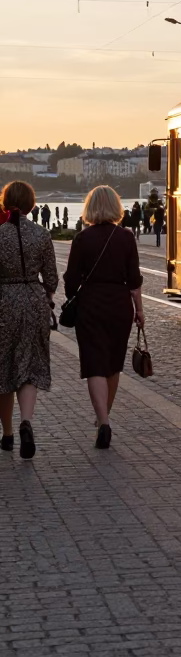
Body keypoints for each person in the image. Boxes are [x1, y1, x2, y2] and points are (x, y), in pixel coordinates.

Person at [63, 185, 145, 450]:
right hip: (120, 305)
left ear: (89, 208)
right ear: (116, 206)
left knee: (94, 364)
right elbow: (134, 281)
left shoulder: (81, 239)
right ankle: (103, 420)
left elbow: (71, 282)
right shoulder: (126, 237)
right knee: (113, 364)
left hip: (91, 306)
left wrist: (75, 287)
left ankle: (104, 421)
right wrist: (140, 311)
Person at [0, 181, 58, 459]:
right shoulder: (42, 234)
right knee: (29, 364)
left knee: (4, 366)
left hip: (4, 301)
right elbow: (52, 279)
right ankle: (26, 421)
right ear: (31, 204)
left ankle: (8, 434)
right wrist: (45, 295)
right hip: (34, 302)